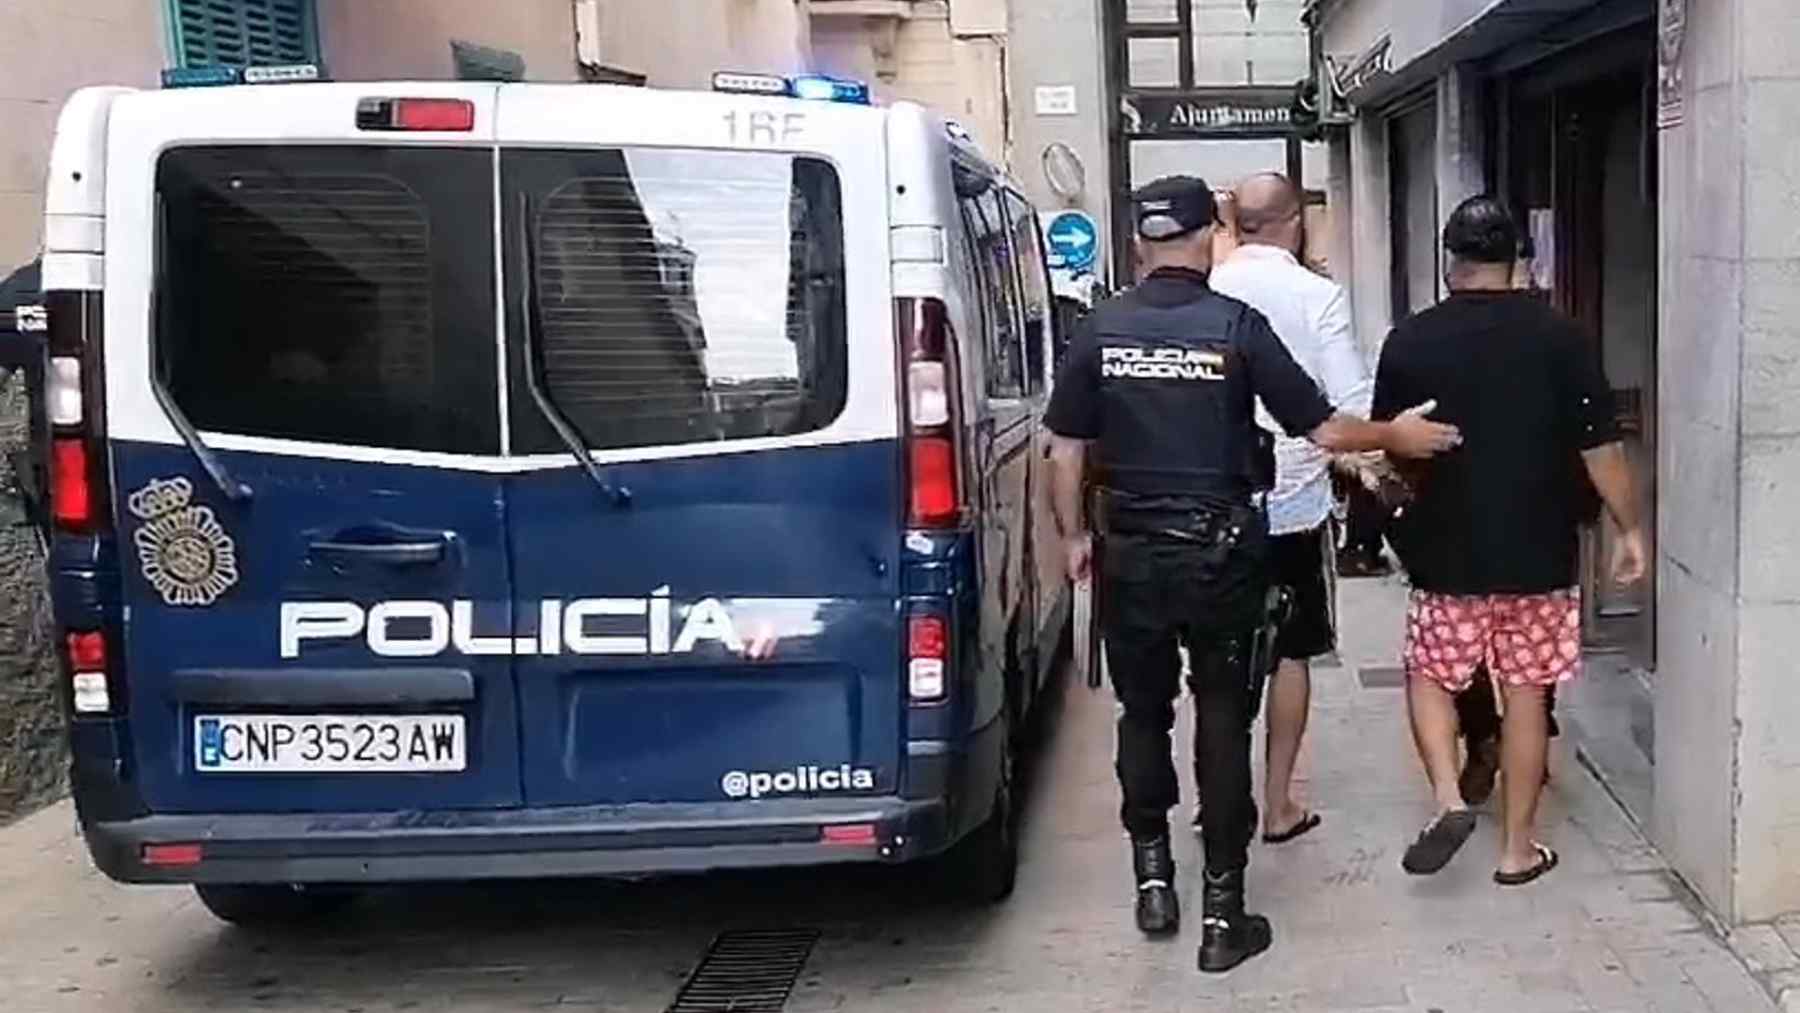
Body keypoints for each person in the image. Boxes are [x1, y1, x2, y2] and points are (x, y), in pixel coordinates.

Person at [1045, 175, 1461, 973]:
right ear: (1210, 237)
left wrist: (1072, 541)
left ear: (1139, 244)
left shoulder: (1101, 329)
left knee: (1141, 714)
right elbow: (1325, 426)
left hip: (1131, 550)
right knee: (1225, 717)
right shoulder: (1236, 326)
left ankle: (1154, 879)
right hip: (1222, 552)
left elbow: (1065, 447)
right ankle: (1223, 915)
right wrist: (1396, 435)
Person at [1373, 196, 1645, 885]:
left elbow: (1392, 449)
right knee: (1527, 691)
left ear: (1450, 260)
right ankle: (1518, 848)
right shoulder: (1563, 337)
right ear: (1518, 258)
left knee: (1431, 674)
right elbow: (1600, 446)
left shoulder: (1409, 339)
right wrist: (1629, 525)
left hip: (1446, 550)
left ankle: (1447, 797)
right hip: (1539, 551)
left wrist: (1393, 509)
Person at [1206, 172, 1370, 845]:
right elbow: (1350, 401)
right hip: (1295, 505)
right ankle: (1276, 804)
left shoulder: (1206, 291)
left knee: (1218, 656)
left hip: (1214, 508)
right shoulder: (1317, 295)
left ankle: (1217, 799)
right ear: (1293, 222)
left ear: (1236, 222)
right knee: (1291, 653)